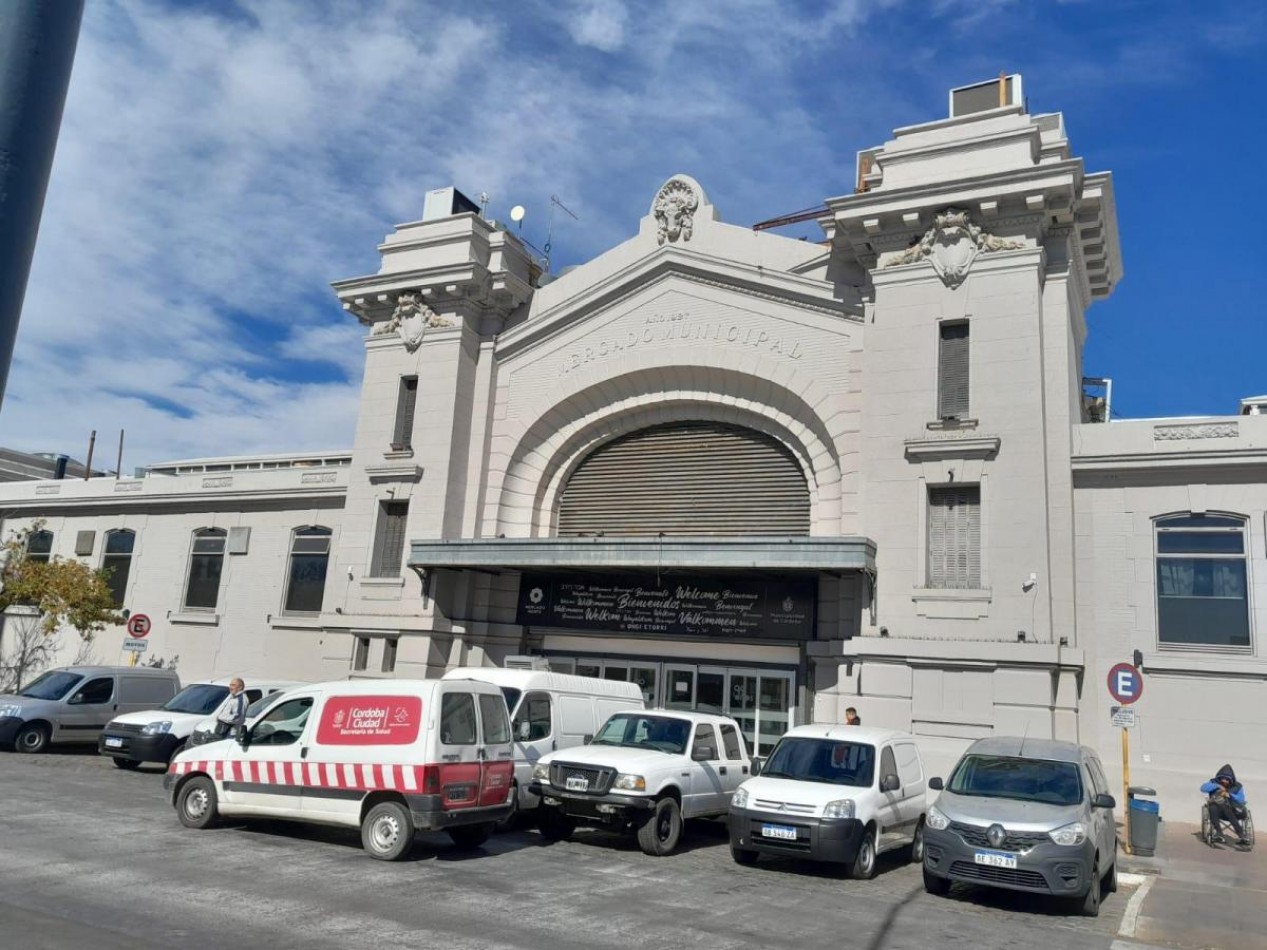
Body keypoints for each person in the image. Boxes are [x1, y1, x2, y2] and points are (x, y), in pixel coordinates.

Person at [1202, 763, 1249, 847]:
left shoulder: (1237, 786)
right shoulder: (1214, 782)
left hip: (1235, 811)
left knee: (1224, 806)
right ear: (1219, 778)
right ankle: (1219, 834)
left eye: (1227, 779)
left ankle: (1241, 834)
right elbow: (1203, 788)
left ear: (1231, 780)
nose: (1225, 781)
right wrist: (1217, 786)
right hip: (1217, 812)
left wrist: (1229, 795)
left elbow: (1241, 800)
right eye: (1223, 778)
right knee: (1212, 806)